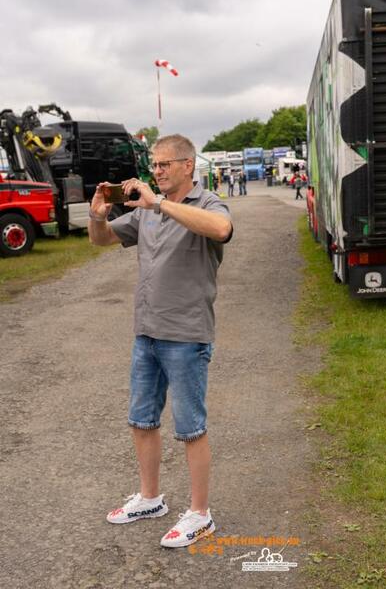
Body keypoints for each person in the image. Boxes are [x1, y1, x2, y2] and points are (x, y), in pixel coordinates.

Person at [88, 134, 233, 549]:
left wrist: (159, 203)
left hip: (186, 336)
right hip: (146, 333)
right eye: (154, 165)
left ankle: (201, 515)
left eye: (165, 164)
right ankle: (150, 499)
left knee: (191, 428)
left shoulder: (206, 204)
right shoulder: (144, 211)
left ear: (189, 165)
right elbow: (101, 241)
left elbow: (222, 229)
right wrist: (98, 216)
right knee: (141, 420)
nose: (157, 171)